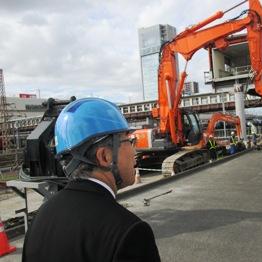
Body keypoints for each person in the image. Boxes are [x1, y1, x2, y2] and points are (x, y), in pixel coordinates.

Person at [22, 98, 161, 262]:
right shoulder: (130, 232)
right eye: (129, 141)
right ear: (104, 156)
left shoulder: (41, 217)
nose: (134, 151)